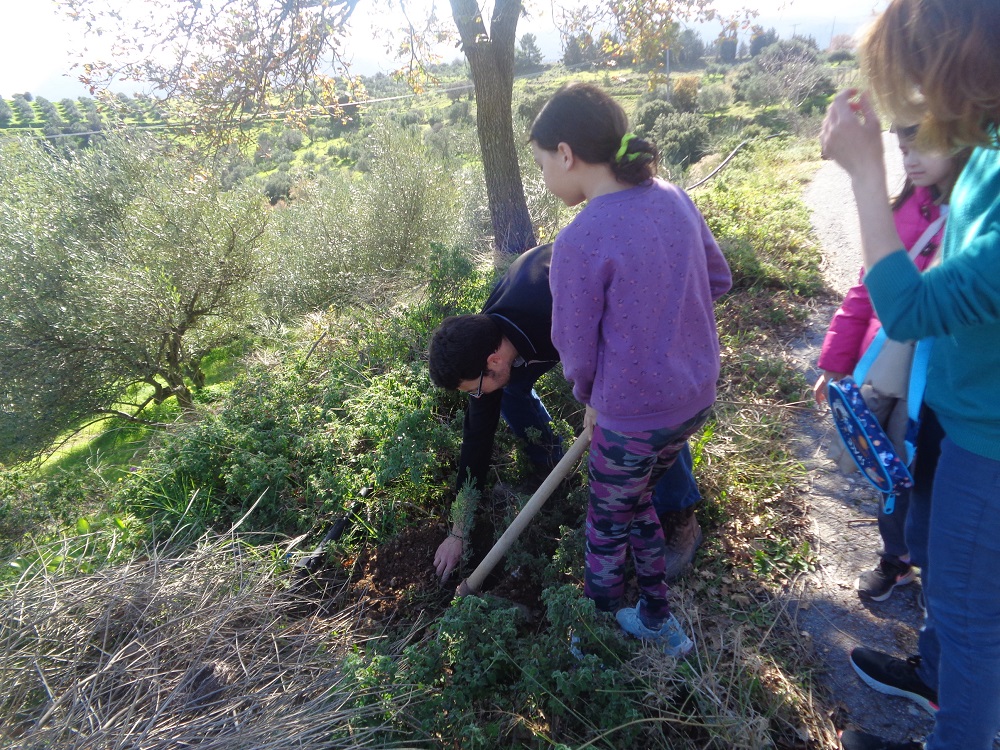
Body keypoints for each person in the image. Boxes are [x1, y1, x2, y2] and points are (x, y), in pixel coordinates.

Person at [819, 0, 1000, 748]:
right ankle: (935, 682)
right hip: (966, 416)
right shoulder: (987, 152)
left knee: (968, 617)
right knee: (960, 607)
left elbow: (913, 307)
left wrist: (865, 173)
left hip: (989, 445)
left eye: (919, 81)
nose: (918, 104)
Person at [530, 82, 732, 655]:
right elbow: (718, 280)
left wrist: (591, 397)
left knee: (606, 524)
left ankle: (593, 636)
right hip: (694, 399)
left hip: (631, 416)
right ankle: (656, 617)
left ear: (565, 153)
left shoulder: (580, 240)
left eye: (543, 162)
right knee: (637, 498)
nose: (545, 177)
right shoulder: (674, 198)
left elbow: (574, 347)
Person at [428, 243, 704, 584]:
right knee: (509, 390)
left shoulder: (553, 309)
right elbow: (476, 441)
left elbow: (622, 333)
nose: (478, 395)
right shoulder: (484, 349)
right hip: (546, 327)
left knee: (644, 412)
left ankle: (681, 514)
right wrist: (459, 530)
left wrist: (599, 395)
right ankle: (548, 462)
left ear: (493, 361)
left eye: (474, 388)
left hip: (627, 304)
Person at [813, 126, 967, 603]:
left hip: (948, 384)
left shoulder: (977, 213)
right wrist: (837, 362)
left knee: (941, 484)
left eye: (923, 145)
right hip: (890, 372)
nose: (910, 160)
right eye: (902, 149)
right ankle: (896, 558)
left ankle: (940, 575)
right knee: (892, 469)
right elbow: (865, 289)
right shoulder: (902, 211)